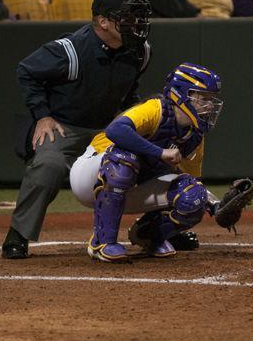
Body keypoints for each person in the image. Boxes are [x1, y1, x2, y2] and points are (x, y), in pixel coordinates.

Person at [1, 0, 153, 260]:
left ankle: (159, 230)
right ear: (103, 22)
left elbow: (130, 91)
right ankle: (18, 234)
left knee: (152, 152)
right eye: (128, 17)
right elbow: (26, 71)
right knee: (49, 164)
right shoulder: (69, 50)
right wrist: (42, 116)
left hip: (109, 128)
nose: (137, 23)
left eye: (138, 17)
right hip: (65, 126)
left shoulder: (139, 50)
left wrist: (134, 119)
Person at [69, 62, 224, 262]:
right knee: (124, 159)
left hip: (131, 185)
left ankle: (148, 235)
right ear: (182, 94)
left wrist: (215, 205)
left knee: (193, 194)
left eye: (211, 100)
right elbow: (115, 130)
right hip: (89, 175)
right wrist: (160, 153)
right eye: (204, 98)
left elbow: (189, 178)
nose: (209, 105)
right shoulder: (156, 109)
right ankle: (102, 242)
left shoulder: (194, 135)